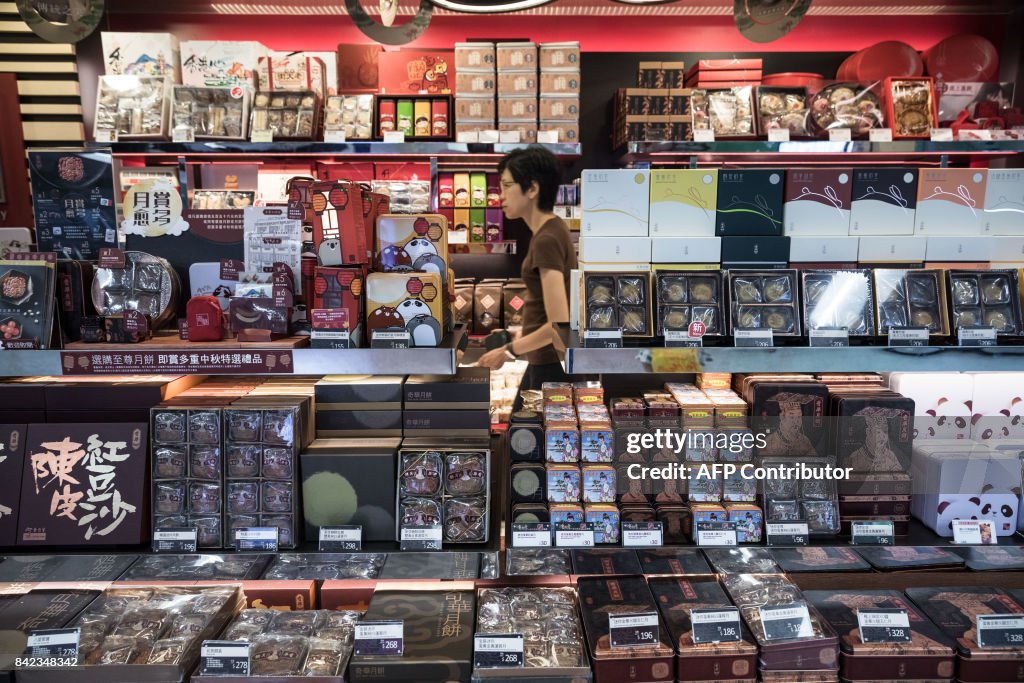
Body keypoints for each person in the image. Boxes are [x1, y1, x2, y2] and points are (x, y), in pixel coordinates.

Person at [478, 147, 576, 402]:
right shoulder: (551, 230)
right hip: (545, 361)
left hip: (550, 366)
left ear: (532, 189)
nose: (501, 196)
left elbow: (558, 324)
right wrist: (522, 332)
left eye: (507, 186)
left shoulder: (547, 238)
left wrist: (508, 351)